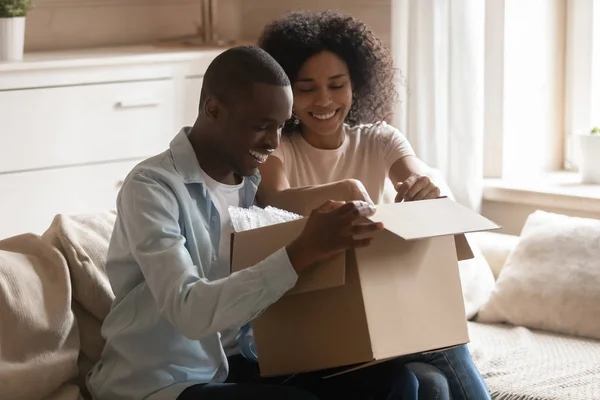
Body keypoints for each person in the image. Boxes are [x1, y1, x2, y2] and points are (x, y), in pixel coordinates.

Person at [86, 45, 428, 400]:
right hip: (164, 380)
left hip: (244, 363)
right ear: (213, 110)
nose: (273, 142)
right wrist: (302, 251)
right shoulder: (152, 187)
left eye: (281, 126)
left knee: (396, 382)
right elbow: (188, 309)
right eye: (262, 127)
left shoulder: (254, 188)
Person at [255, 10, 492, 400]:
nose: (325, 100)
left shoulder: (381, 139)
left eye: (337, 85)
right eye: (308, 88)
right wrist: (346, 189)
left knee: (431, 384)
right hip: (315, 311)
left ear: (357, 85)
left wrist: (422, 188)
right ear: (286, 92)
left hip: (382, 307)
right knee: (444, 343)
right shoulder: (278, 148)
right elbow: (275, 198)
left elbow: (412, 175)